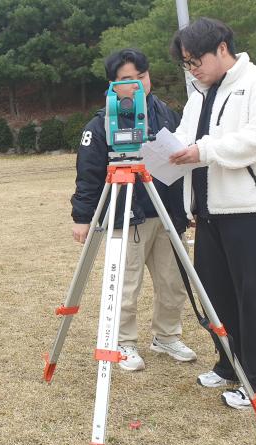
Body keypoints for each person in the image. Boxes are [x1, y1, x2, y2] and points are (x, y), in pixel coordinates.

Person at [168, 17, 256, 409]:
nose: (192, 70)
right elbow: (184, 141)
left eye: (196, 61)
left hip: (252, 211)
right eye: (186, 64)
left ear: (222, 48)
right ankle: (229, 365)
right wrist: (164, 151)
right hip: (208, 213)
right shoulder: (198, 96)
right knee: (217, 297)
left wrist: (204, 150)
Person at [70, 49, 196, 372]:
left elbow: (182, 161)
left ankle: (166, 335)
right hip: (126, 216)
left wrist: (188, 206)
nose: (138, 84)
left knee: (173, 282)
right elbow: (88, 175)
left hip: (166, 213)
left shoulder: (166, 114)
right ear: (112, 84)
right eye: (128, 79)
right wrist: (82, 218)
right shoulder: (100, 124)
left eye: (142, 76)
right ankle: (123, 342)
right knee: (125, 284)